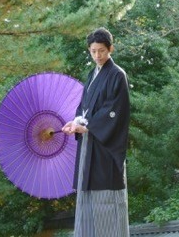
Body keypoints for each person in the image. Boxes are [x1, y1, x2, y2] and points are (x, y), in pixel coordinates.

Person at [61, 27, 131, 237]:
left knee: (107, 200)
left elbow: (115, 111)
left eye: (101, 50)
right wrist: (74, 122)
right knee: (88, 198)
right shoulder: (92, 74)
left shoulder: (117, 75)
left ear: (111, 49)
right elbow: (84, 107)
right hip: (88, 145)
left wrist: (89, 127)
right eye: (93, 51)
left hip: (105, 147)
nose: (97, 55)